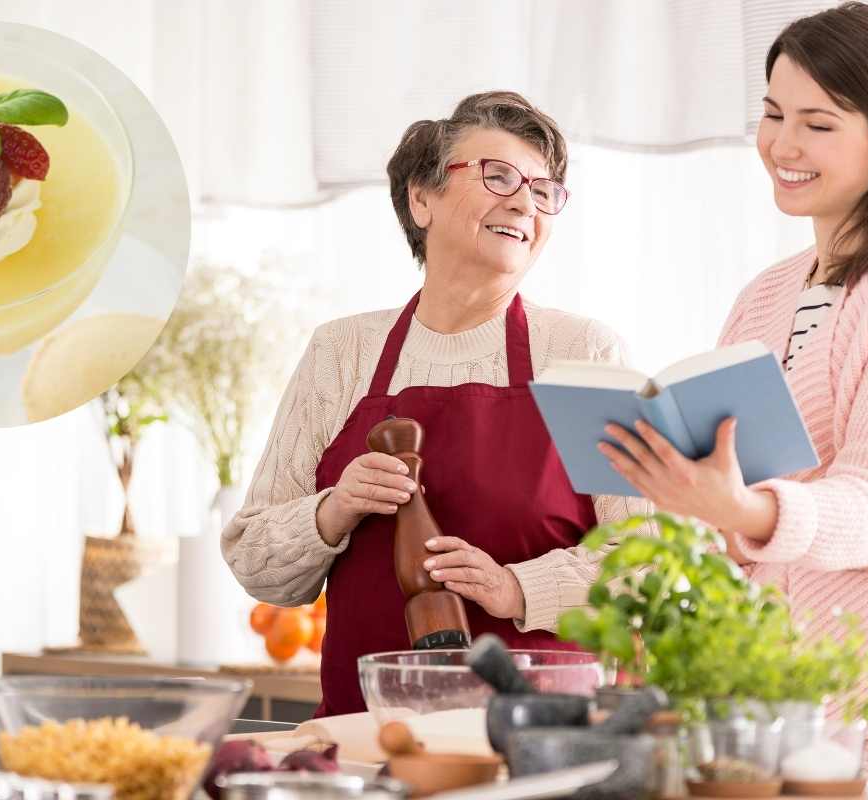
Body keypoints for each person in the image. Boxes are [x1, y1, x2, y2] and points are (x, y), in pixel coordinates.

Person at [599, 4, 868, 795]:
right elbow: (744, 503)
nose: (783, 145)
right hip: (780, 684)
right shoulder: (764, 295)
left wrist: (756, 514)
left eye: (818, 123)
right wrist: (707, 505)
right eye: (771, 114)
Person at [222, 91, 652, 717]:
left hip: (539, 746)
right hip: (370, 737)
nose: (523, 202)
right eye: (498, 175)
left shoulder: (585, 352)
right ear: (421, 198)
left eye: (542, 190)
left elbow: (652, 560)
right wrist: (335, 510)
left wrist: (516, 587)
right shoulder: (343, 350)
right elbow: (257, 560)